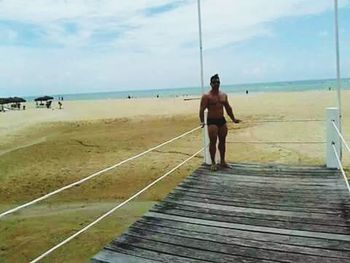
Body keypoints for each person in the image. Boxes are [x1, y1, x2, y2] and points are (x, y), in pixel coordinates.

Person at [199, 74, 241, 171]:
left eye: (218, 82)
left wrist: (233, 119)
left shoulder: (223, 95)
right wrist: (202, 121)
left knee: (222, 141)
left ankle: (222, 161)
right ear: (210, 84)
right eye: (214, 82)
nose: (216, 84)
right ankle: (213, 163)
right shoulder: (206, 96)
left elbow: (228, 108)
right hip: (212, 121)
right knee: (213, 142)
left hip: (221, 120)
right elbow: (201, 110)